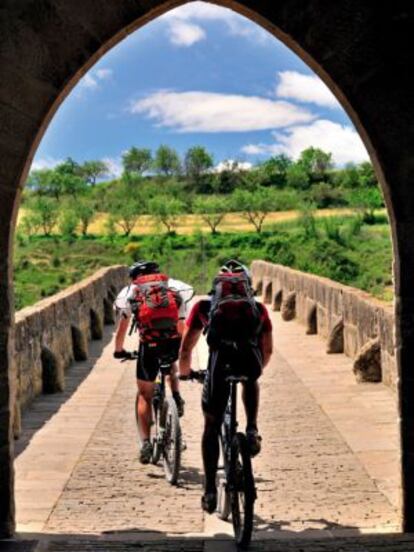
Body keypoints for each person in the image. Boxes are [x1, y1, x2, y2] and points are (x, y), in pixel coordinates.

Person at [179, 260, 273, 513]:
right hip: (248, 365)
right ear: (248, 287)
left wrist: (185, 372)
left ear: (216, 287)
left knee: (211, 425)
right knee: (251, 378)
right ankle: (252, 429)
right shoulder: (259, 309)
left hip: (219, 370)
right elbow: (267, 349)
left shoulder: (203, 307)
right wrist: (255, 368)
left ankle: (209, 489)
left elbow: (186, 348)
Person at [114, 260, 193, 464]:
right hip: (172, 344)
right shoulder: (175, 287)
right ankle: (176, 397)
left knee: (144, 394)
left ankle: (146, 443)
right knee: (170, 362)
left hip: (148, 347)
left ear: (135, 277)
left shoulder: (131, 292)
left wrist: (119, 350)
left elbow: (123, 326)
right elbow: (182, 323)